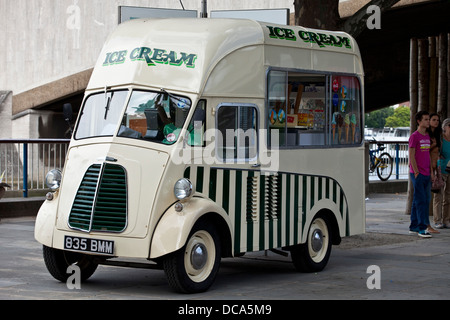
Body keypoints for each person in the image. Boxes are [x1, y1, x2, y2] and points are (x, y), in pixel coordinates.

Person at [409, 111, 432, 238]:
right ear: (419, 121)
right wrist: (416, 171)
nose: (428, 121)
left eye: (428, 119)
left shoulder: (427, 136)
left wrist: (431, 171)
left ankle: (413, 226)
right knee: (421, 200)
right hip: (417, 173)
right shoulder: (414, 136)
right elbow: (411, 154)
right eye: (426, 119)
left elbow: (427, 154)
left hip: (427, 172)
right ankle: (422, 229)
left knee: (419, 200)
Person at [434, 118, 450, 229]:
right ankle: (437, 220)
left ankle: (446, 220)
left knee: (448, 197)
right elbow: (434, 153)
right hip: (441, 170)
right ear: (445, 127)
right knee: (438, 196)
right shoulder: (440, 140)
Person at [428, 113, 441, 233]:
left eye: (437, 120)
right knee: (426, 197)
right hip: (427, 167)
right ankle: (429, 224)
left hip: (436, 166)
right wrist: (433, 145)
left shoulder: (437, 134)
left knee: (436, 192)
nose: (436, 122)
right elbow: (424, 150)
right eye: (433, 120)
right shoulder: (427, 135)